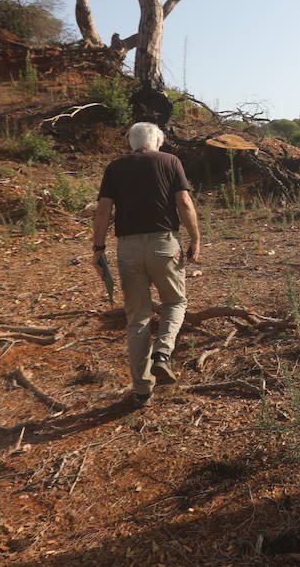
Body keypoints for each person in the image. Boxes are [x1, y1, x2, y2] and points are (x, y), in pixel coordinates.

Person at [92, 122, 200, 406]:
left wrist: (98, 248)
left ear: (131, 142)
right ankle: (162, 353)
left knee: (137, 318)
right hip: (164, 244)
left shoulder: (115, 167)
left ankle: (142, 390)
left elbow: (103, 210)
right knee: (175, 303)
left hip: (127, 247)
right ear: (158, 141)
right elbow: (185, 204)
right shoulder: (169, 161)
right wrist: (196, 240)